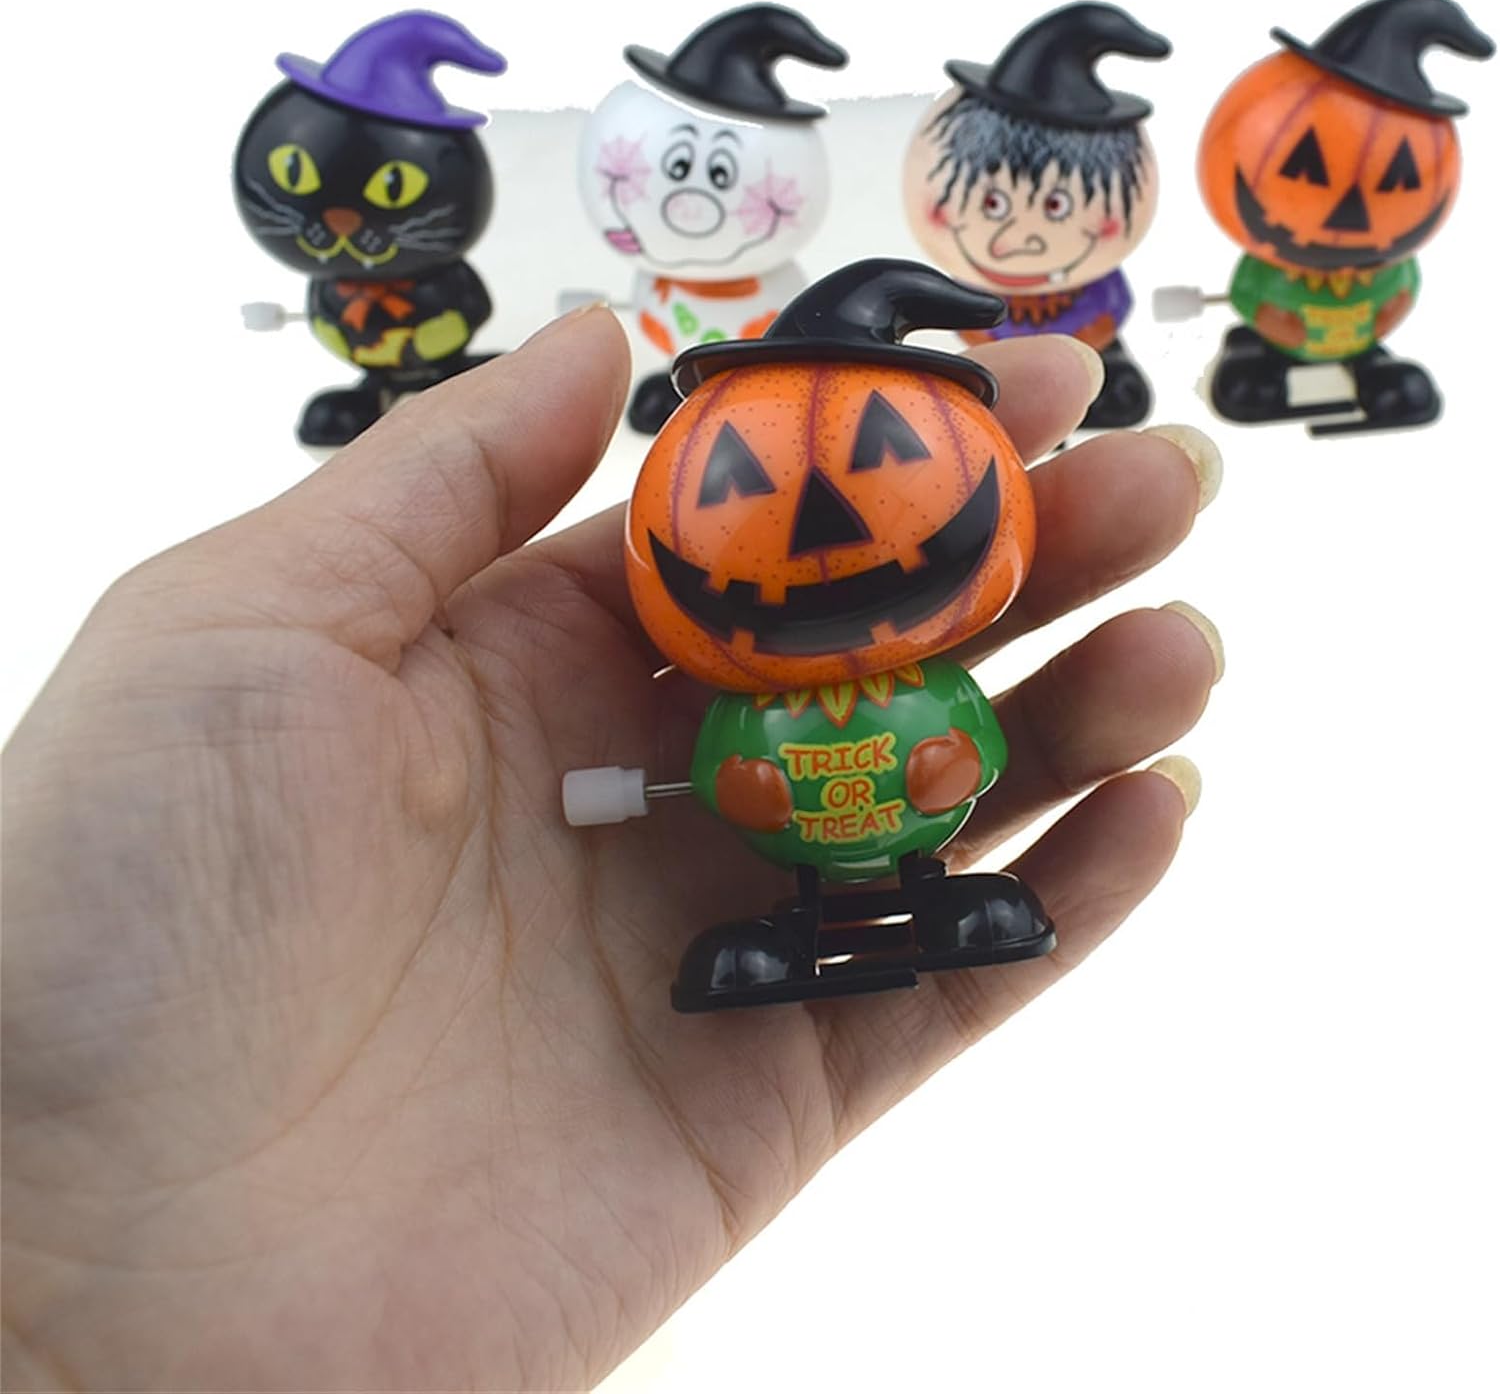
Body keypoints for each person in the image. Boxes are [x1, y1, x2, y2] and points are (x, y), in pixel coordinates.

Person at [1, 306, 1223, 1390]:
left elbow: (968, 746)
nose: (818, 522)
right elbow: (734, 781)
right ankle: (805, 921)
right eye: (740, 479)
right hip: (794, 855)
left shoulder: (925, 685)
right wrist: (748, 787)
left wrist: (948, 770)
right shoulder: (750, 709)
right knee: (804, 882)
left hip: (917, 841)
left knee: (974, 834)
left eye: (889, 459)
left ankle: (933, 897)